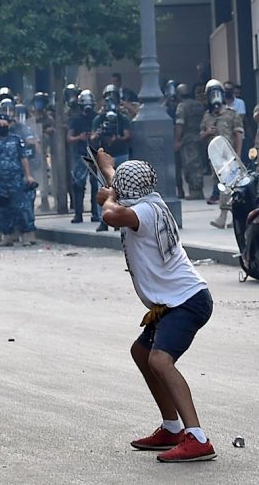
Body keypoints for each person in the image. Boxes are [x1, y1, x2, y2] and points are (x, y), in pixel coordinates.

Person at [95, 154, 216, 463]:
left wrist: (108, 198)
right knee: (141, 353)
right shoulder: (147, 198)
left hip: (187, 301)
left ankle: (197, 438)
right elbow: (116, 183)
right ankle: (172, 427)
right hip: (173, 302)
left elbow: (110, 215)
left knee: (160, 361)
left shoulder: (143, 212)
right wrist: (104, 163)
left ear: (125, 191)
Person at [0, 113, 34, 246]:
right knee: (2, 210)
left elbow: (23, 158)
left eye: (4, 124)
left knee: (20, 208)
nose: (1, 127)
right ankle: (7, 236)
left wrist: (28, 175)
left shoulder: (16, 140)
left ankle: (26, 235)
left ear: (9, 124)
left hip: (15, 179)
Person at [199, 79, 243, 228]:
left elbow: (238, 135)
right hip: (215, 159)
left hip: (229, 158)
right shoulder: (207, 116)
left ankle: (224, 216)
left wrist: (237, 155)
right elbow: (200, 136)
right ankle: (232, 218)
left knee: (229, 185)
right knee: (222, 186)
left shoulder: (232, 114)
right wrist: (207, 132)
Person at [90, 85, 132, 231]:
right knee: (103, 188)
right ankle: (104, 220)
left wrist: (117, 139)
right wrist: (100, 133)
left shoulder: (122, 118)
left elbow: (128, 135)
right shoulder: (99, 118)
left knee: (121, 188)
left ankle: (119, 219)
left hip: (120, 154)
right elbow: (93, 136)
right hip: (105, 157)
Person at [67, 89, 100, 224]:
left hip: (96, 154)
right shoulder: (76, 120)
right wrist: (79, 138)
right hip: (81, 154)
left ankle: (95, 214)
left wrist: (95, 135)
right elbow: (69, 138)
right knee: (78, 185)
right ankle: (78, 214)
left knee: (95, 185)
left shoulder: (98, 118)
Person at [174, 84, 207, 200]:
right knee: (198, 164)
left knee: (190, 165)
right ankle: (198, 190)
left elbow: (180, 124)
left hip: (187, 139)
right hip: (200, 137)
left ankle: (195, 191)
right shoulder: (199, 105)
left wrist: (177, 141)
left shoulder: (182, 106)